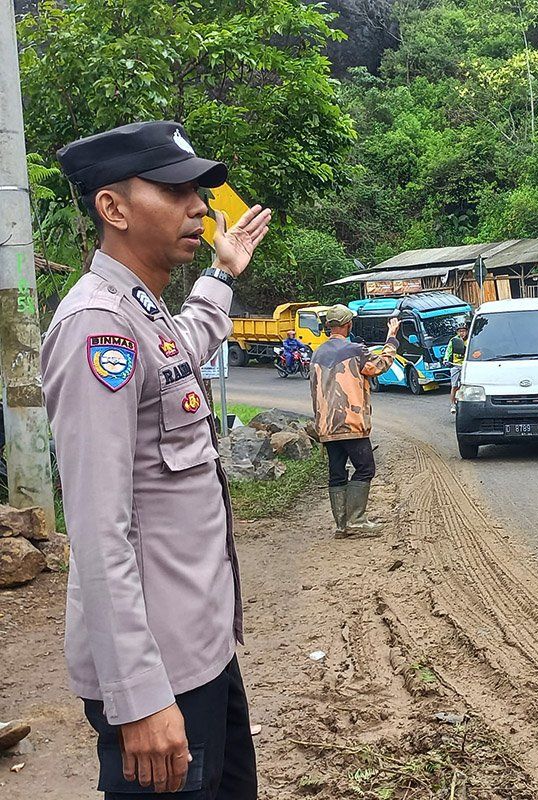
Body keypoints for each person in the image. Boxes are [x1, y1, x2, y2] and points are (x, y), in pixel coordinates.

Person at [42, 121, 272, 798]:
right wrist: (138, 697)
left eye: (198, 190)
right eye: (175, 190)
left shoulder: (143, 314)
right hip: (157, 676)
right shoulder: (98, 328)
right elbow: (96, 529)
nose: (199, 205)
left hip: (199, 650)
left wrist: (223, 272)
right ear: (113, 209)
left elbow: (186, 342)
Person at [310, 305, 400, 537]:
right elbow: (381, 365)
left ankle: (342, 525)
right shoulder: (355, 350)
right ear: (348, 325)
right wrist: (392, 337)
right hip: (351, 423)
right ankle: (356, 521)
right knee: (365, 468)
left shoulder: (317, 354)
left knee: (337, 472)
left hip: (326, 426)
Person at [446, 322, 468, 414]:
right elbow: (448, 351)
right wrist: (446, 359)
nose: (462, 333)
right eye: (460, 331)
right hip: (455, 365)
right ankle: (453, 404)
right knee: (454, 385)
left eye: (463, 331)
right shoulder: (454, 340)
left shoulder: (470, 339)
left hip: (466, 366)